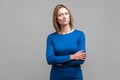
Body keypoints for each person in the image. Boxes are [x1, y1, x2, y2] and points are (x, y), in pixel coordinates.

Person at [46, 4, 86, 80]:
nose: (64, 17)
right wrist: (72, 57)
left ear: (69, 16)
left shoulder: (80, 35)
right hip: (56, 77)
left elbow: (80, 60)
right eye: (60, 15)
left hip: (75, 77)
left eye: (66, 14)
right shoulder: (51, 38)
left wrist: (59, 63)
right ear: (56, 19)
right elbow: (50, 59)